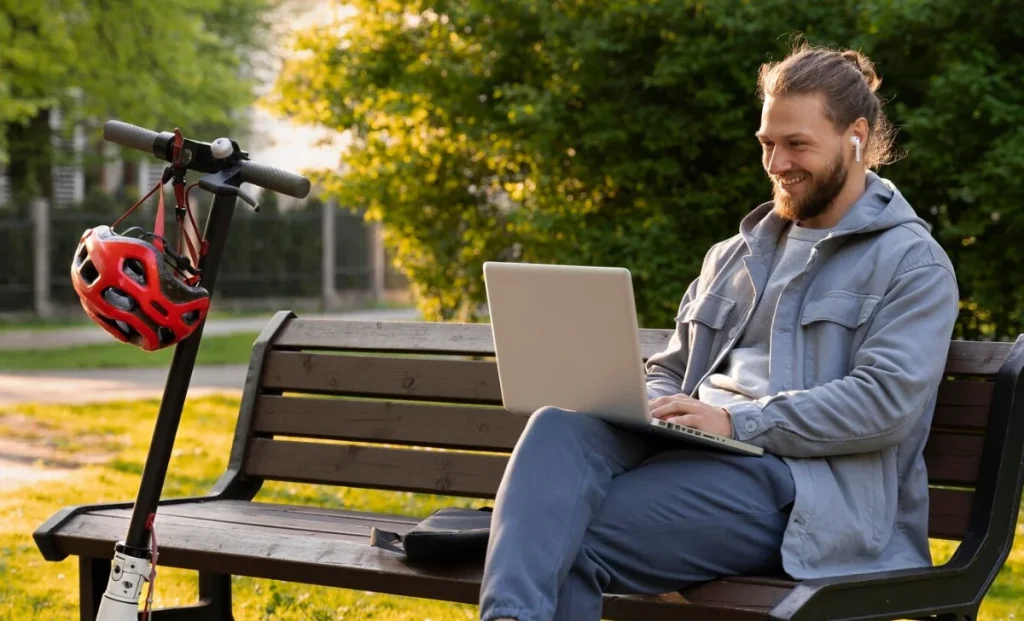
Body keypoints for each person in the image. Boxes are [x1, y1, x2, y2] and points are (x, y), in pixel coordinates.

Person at [477, 42, 961, 621]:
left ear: (855, 136)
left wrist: (736, 422)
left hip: (799, 488)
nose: (778, 163)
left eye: (797, 144)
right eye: (767, 144)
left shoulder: (912, 264)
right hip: (689, 454)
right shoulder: (733, 255)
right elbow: (672, 369)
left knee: (557, 537)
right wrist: (647, 404)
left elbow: (884, 405)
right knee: (558, 423)